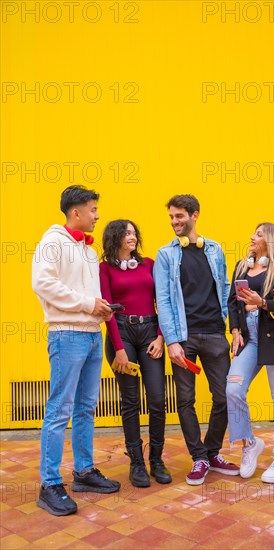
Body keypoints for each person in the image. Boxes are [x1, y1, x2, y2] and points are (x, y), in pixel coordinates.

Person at [32, 185, 121, 517]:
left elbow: (89, 294)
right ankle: (49, 484)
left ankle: (84, 471)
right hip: (66, 335)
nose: (97, 215)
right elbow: (42, 283)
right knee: (59, 410)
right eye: (93, 209)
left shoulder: (86, 249)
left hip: (91, 334)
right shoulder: (53, 241)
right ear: (76, 212)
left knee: (85, 408)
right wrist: (88, 304)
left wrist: (102, 309)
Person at [153, 194, 239, 485]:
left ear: (195, 215)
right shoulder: (165, 255)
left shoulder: (214, 249)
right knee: (186, 400)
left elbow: (226, 288)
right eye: (172, 217)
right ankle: (199, 457)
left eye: (179, 216)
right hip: (184, 338)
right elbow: (163, 300)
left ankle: (213, 452)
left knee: (225, 396)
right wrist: (172, 341)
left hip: (215, 334)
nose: (175, 222)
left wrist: (231, 327)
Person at [100, 219, 171, 488]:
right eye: (127, 233)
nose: (132, 236)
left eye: (134, 232)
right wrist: (119, 349)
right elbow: (107, 311)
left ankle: (157, 460)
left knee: (157, 399)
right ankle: (136, 463)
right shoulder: (104, 269)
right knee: (130, 401)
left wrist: (162, 337)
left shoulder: (149, 264)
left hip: (151, 332)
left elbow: (162, 302)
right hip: (122, 333)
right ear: (115, 237)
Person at [226, 223, 274, 483]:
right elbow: (232, 302)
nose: (252, 237)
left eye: (258, 234)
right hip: (249, 338)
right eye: (253, 233)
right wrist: (235, 329)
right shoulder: (241, 266)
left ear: (271, 241)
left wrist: (262, 303)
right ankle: (249, 443)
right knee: (233, 389)